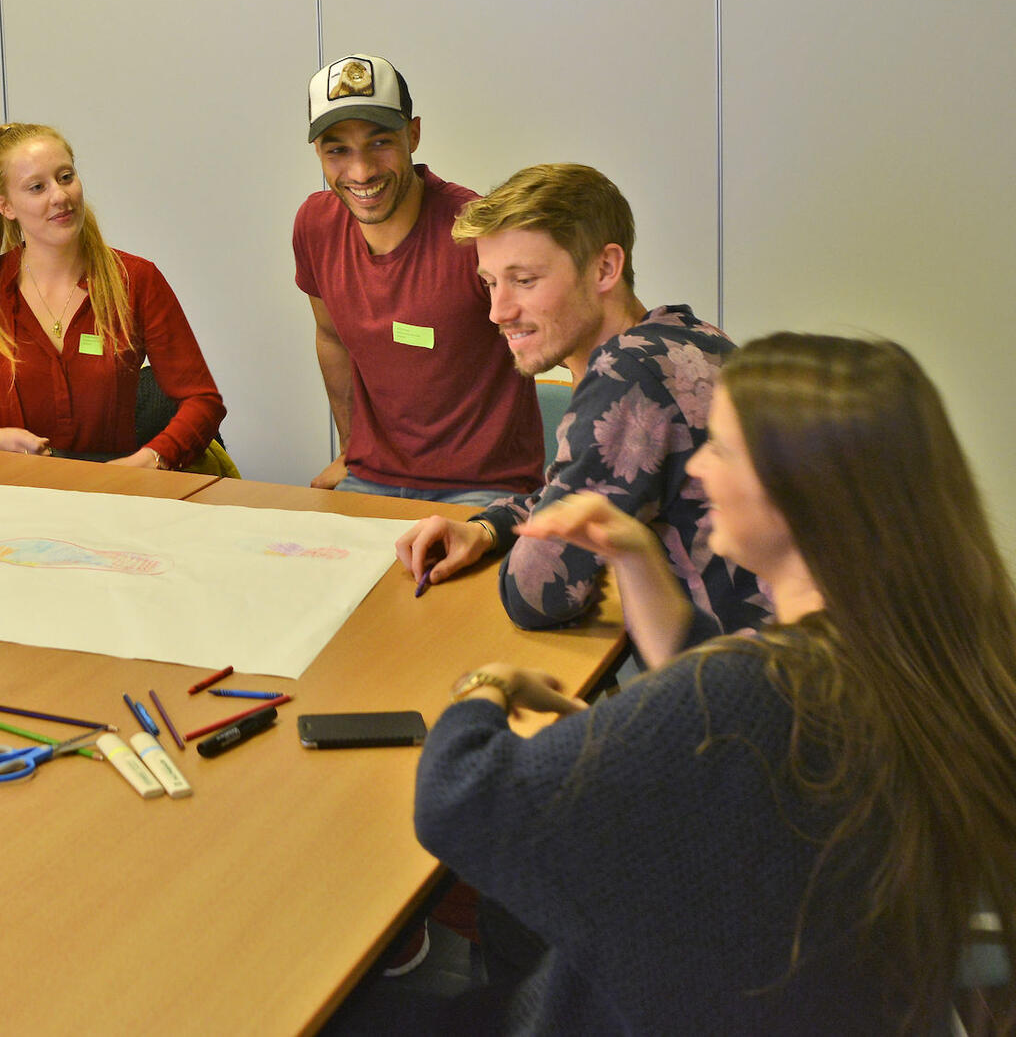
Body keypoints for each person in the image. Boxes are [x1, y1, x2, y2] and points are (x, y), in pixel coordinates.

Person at [407, 333, 1016, 1035]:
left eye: (721, 449)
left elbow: (459, 799)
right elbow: (713, 682)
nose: (696, 467)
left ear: (801, 494)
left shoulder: (746, 695)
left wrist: (484, 685)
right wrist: (635, 554)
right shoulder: (914, 651)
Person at [397, 163, 767, 662]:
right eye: (490, 283)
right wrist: (485, 530)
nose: (497, 311)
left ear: (605, 269)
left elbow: (535, 593)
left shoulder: (625, 374)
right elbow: (572, 490)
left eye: (524, 280)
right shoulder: (684, 336)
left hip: (731, 697)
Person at [293, 53, 542, 504]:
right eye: (338, 150)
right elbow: (330, 336)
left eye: (380, 142)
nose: (362, 171)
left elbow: (573, 343)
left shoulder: (476, 232)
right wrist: (350, 450)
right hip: (372, 478)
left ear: (414, 134)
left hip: (484, 487)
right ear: (318, 153)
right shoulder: (315, 225)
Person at [0, 122, 224, 469]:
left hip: (113, 489)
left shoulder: (136, 280)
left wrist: (150, 460)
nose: (60, 196)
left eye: (66, 177)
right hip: (15, 491)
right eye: (37, 187)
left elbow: (203, 402)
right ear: (6, 206)